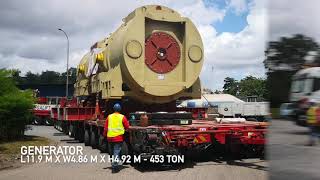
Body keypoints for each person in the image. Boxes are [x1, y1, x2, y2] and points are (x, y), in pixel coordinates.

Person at [103, 103, 129, 173]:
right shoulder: (122, 117)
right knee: (116, 152)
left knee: (112, 152)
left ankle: (113, 164)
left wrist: (104, 135)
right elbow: (127, 126)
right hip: (118, 138)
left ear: (113, 109)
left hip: (110, 137)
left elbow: (105, 128)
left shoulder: (109, 116)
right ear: (120, 109)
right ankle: (115, 166)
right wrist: (126, 130)